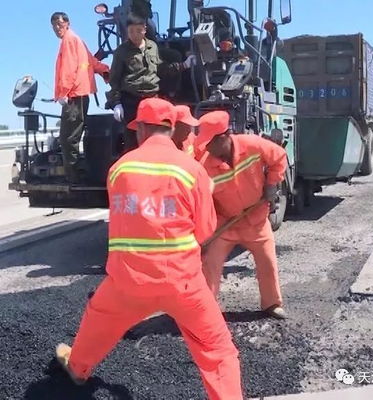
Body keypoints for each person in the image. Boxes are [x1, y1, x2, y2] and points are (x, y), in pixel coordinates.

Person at [55, 98, 243, 400]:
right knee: (217, 350)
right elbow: (205, 231)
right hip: (182, 283)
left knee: (97, 319)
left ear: (141, 129)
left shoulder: (119, 169)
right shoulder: (192, 170)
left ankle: (78, 368)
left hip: (127, 282)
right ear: (171, 128)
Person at [196, 111, 288, 319]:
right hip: (225, 223)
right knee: (210, 263)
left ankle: (272, 303)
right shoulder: (205, 166)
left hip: (255, 219)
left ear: (224, 137)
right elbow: (202, 202)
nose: (206, 148)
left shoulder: (253, 145)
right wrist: (204, 234)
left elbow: (279, 157)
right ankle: (206, 309)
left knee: (267, 261)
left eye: (208, 142)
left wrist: (272, 184)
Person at [108, 14, 196, 153]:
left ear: (144, 29)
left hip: (152, 100)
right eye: (130, 31)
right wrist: (116, 103)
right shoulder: (121, 52)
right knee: (133, 141)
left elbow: (161, 68)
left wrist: (183, 65)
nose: (134, 35)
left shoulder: (152, 47)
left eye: (138, 31)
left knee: (156, 137)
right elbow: (114, 79)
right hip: (132, 102)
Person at [51, 12, 110, 183]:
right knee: (74, 135)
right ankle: (78, 173)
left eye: (59, 24)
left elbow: (68, 69)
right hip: (81, 94)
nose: (57, 28)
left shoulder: (69, 40)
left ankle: (75, 178)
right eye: (54, 25)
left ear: (67, 23)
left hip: (74, 95)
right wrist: (106, 71)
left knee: (68, 138)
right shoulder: (77, 40)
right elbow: (91, 62)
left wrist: (63, 92)